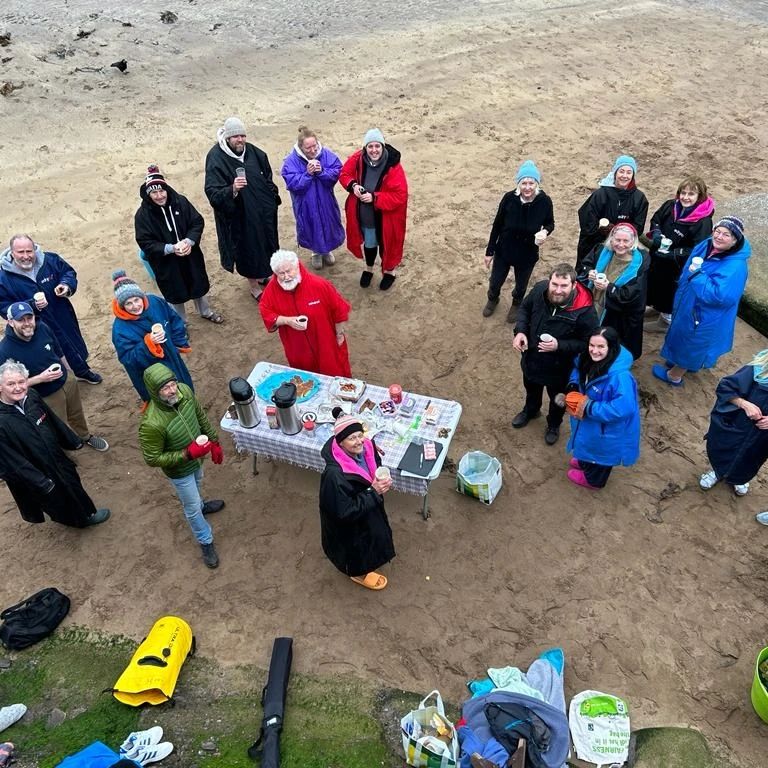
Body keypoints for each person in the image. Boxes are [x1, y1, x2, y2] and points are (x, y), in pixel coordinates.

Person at [0, 360, 110, 527]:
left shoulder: (32, 397)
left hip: (57, 458)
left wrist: (71, 441)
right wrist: (40, 481)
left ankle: (85, 513)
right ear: (0, 387)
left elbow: (52, 420)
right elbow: (11, 462)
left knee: (72, 483)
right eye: (11, 384)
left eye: (21, 381)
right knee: (54, 498)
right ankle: (79, 520)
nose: (18, 388)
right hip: (36, 472)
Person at [139, 363, 225, 569]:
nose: (172, 390)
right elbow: (152, 458)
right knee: (192, 507)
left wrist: (214, 442)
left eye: (172, 384)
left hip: (197, 458)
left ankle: (203, 505)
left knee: (199, 481)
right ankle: (205, 540)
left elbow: (200, 417)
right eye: (165, 388)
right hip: (179, 471)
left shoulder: (184, 392)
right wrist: (186, 454)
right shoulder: (151, 424)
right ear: (154, 392)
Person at [654, 216, 751, 387]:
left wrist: (697, 275)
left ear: (735, 240)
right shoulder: (707, 244)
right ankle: (680, 362)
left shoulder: (735, 267)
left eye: (726, 235)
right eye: (717, 231)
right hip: (690, 301)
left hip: (705, 314)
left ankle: (674, 376)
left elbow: (720, 297)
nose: (719, 237)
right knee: (682, 334)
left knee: (693, 343)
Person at [0, 302, 108, 450]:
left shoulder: (42, 327)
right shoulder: (4, 350)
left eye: (29, 318)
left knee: (76, 413)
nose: (27, 323)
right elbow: (8, 387)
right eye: (21, 320)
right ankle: (66, 452)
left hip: (67, 382)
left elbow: (58, 350)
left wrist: (69, 372)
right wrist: (40, 378)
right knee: (57, 426)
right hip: (44, 396)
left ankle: (85, 436)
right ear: (11, 322)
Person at [511, 264, 597, 445]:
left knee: (558, 399)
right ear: (549, 282)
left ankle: (554, 424)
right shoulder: (540, 290)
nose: (558, 290)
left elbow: (588, 343)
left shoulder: (585, 310)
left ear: (573, 285)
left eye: (564, 286)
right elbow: (525, 310)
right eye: (554, 284)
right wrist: (520, 331)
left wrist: (559, 345)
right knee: (531, 388)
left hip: (560, 369)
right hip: (532, 358)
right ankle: (531, 411)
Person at [0, 234, 102, 384]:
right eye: (20, 252)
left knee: (72, 343)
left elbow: (68, 272)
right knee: (49, 353)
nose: (26, 256)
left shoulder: (50, 260)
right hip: (34, 325)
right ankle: (62, 381)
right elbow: (3, 307)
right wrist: (31, 305)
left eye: (29, 251)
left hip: (62, 314)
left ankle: (82, 371)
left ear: (35, 249)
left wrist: (66, 285)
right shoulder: (3, 278)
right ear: (12, 252)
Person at [204, 116, 281, 302]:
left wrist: (270, 200)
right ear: (228, 138)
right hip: (240, 217)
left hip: (262, 213)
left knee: (266, 242)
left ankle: (265, 274)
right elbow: (212, 192)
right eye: (236, 136)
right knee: (248, 249)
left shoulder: (255, 153)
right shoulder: (215, 158)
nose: (240, 140)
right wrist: (232, 189)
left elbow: (268, 178)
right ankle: (254, 285)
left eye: (242, 135)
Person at [134, 164, 223, 325]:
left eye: (162, 191)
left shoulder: (181, 202)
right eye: (154, 192)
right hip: (166, 262)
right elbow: (145, 242)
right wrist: (170, 249)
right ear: (148, 194)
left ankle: (205, 311)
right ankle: (180, 322)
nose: (160, 196)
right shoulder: (142, 215)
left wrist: (189, 241)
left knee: (198, 283)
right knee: (174, 292)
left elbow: (197, 222)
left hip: (191, 255)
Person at [319, 408, 395, 590]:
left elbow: (374, 465)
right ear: (341, 443)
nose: (359, 441)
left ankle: (370, 559)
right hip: (348, 526)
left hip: (367, 508)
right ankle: (356, 572)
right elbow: (344, 512)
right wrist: (373, 492)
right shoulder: (334, 477)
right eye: (352, 438)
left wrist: (378, 482)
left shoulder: (367, 446)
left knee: (372, 536)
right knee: (355, 548)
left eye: (360, 435)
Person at [561, 327, 640, 490]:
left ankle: (594, 481)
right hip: (591, 422)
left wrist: (588, 406)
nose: (594, 351)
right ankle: (585, 461)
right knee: (589, 442)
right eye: (592, 345)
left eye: (601, 347)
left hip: (608, 429)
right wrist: (573, 385)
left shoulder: (620, 377)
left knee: (602, 455)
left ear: (611, 347)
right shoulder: (586, 358)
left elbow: (623, 409)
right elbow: (577, 368)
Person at [259, 249, 352, 377]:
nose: (286, 277)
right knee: (306, 379)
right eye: (281, 274)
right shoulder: (271, 291)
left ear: (297, 266)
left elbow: (340, 310)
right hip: (297, 348)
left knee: (335, 375)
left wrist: (339, 334)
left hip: (326, 343)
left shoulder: (320, 285)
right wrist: (287, 320)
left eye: (288, 271)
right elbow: (266, 312)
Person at [483, 160, 555, 322]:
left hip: (527, 253)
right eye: (524, 183)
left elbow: (551, 223)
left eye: (531, 183)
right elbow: (497, 225)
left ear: (537, 183)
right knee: (495, 281)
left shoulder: (544, 201)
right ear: (518, 184)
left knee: (521, 285)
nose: (527, 187)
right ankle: (493, 298)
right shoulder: (509, 198)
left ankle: (516, 303)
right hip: (504, 250)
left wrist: (545, 231)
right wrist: (490, 251)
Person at [339, 128, 408, 290]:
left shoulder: (393, 166)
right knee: (370, 243)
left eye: (377, 146)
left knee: (388, 245)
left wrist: (375, 197)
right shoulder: (358, 158)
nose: (374, 150)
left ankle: (390, 272)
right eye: (370, 146)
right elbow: (344, 174)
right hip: (366, 215)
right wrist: (353, 186)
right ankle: (368, 268)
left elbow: (400, 195)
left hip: (387, 218)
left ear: (383, 147)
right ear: (365, 148)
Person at [110, 270, 194, 403]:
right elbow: (128, 359)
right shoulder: (120, 329)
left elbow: (173, 319)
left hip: (173, 357)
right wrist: (149, 343)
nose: (135, 306)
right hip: (154, 373)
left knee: (185, 388)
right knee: (168, 403)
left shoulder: (155, 302)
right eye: (128, 303)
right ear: (122, 305)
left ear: (142, 296)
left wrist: (178, 342)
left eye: (136, 299)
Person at [644, 177, 714, 334]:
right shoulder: (671, 205)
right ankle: (657, 309)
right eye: (683, 193)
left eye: (691, 194)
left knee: (669, 292)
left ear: (699, 197)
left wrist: (673, 254)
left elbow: (698, 249)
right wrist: (656, 233)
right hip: (658, 257)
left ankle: (665, 320)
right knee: (655, 284)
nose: (686, 197)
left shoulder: (703, 221)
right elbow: (656, 219)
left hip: (677, 266)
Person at [698, 350, 768, 499]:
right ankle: (717, 472)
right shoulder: (759, 368)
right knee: (723, 449)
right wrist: (744, 404)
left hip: (761, 438)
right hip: (737, 426)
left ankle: (739, 479)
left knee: (750, 459)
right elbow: (726, 387)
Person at [578, 223, 649, 360]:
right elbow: (586, 265)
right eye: (617, 240)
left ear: (633, 241)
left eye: (625, 241)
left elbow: (632, 295)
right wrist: (589, 273)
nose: (620, 244)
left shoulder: (639, 265)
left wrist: (608, 287)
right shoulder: (601, 250)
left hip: (614, 313)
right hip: (593, 301)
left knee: (608, 342)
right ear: (611, 239)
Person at [280, 126, 345, 270]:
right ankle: (315, 252)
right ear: (301, 147)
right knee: (311, 225)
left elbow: (337, 172)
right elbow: (292, 183)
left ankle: (326, 250)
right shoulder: (291, 161)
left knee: (327, 222)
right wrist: (307, 174)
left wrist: (322, 171)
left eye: (314, 146)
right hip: (306, 203)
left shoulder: (326, 155)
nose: (313, 150)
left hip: (325, 200)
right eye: (308, 147)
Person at [576, 155, 648, 270]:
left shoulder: (639, 198)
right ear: (615, 172)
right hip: (594, 245)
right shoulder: (600, 194)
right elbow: (586, 218)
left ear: (633, 175)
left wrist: (616, 232)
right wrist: (601, 230)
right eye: (621, 171)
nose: (624, 176)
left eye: (629, 172)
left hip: (621, 248)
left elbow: (638, 227)